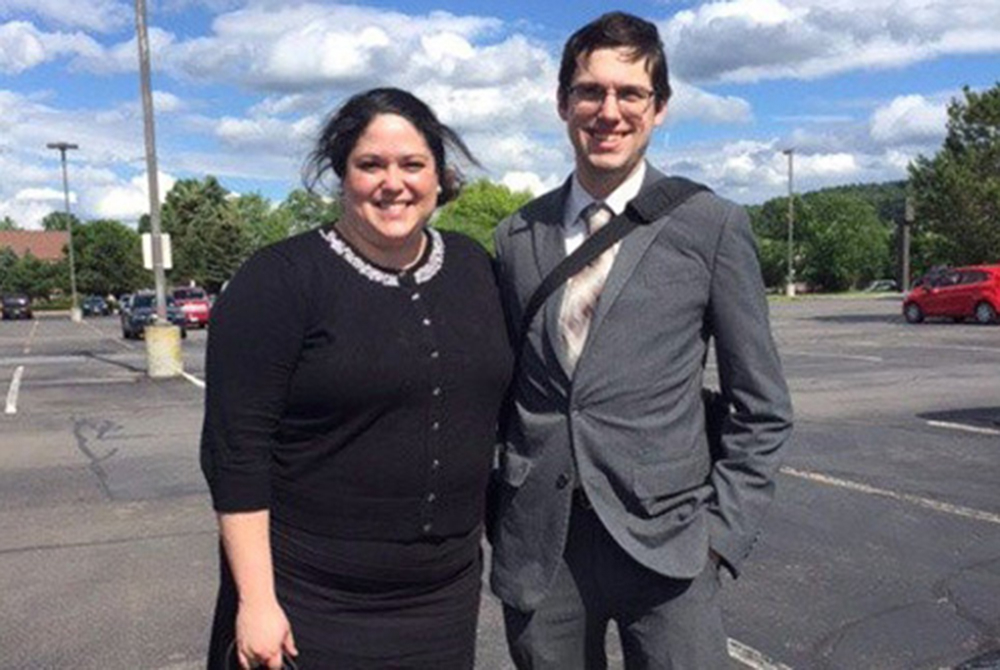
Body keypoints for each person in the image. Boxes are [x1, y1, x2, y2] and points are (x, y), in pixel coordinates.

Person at [489, 12, 793, 669]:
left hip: (669, 544)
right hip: (543, 544)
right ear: (563, 102)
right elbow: (501, 389)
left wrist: (721, 535)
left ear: (659, 109)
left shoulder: (709, 225)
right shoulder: (516, 235)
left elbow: (761, 404)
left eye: (631, 94)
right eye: (590, 91)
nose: (609, 111)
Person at [200, 87, 513, 670]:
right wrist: (257, 601)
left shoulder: (474, 268)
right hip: (313, 601)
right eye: (371, 164)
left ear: (439, 176)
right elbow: (235, 453)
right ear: (341, 175)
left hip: (441, 601)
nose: (393, 183)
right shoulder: (278, 282)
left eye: (413, 164)